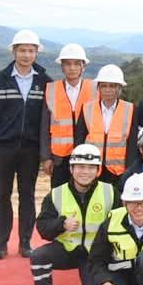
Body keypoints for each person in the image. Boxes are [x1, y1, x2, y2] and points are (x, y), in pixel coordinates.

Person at [0, 29, 52, 260]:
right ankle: (0, 245)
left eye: (31, 50)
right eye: (22, 50)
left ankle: (25, 243)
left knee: (27, 195)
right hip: (3, 147)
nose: (26, 55)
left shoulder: (45, 82)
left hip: (30, 149)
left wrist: (46, 153)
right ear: (14, 51)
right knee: (2, 195)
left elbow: (49, 121)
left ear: (37, 53)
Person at [29, 143, 117, 285]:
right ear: (71, 169)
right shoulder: (56, 194)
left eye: (91, 167)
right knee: (38, 256)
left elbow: (121, 223)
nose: (85, 172)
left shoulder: (110, 192)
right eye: (80, 167)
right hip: (67, 249)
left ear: (98, 170)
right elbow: (43, 228)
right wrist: (61, 224)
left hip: (95, 254)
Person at [40, 43, 96, 189]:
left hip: (87, 155)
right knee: (59, 195)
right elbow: (44, 127)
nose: (72, 68)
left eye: (77, 64)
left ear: (83, 66)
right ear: (62, 66)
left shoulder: (95, 89)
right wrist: (46, 157)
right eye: (68, 64)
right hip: (59, 158)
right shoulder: (51, 89)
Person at [74, 64, 134, 185]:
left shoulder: (130, 109)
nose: (107, 90)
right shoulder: (87, 108)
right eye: (104, 86)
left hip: (118, 172)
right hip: (92, 168)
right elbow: (79, 140)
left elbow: (132, 143)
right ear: (98, 88)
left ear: (119, 88)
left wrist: (130, 171)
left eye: (112, 86)